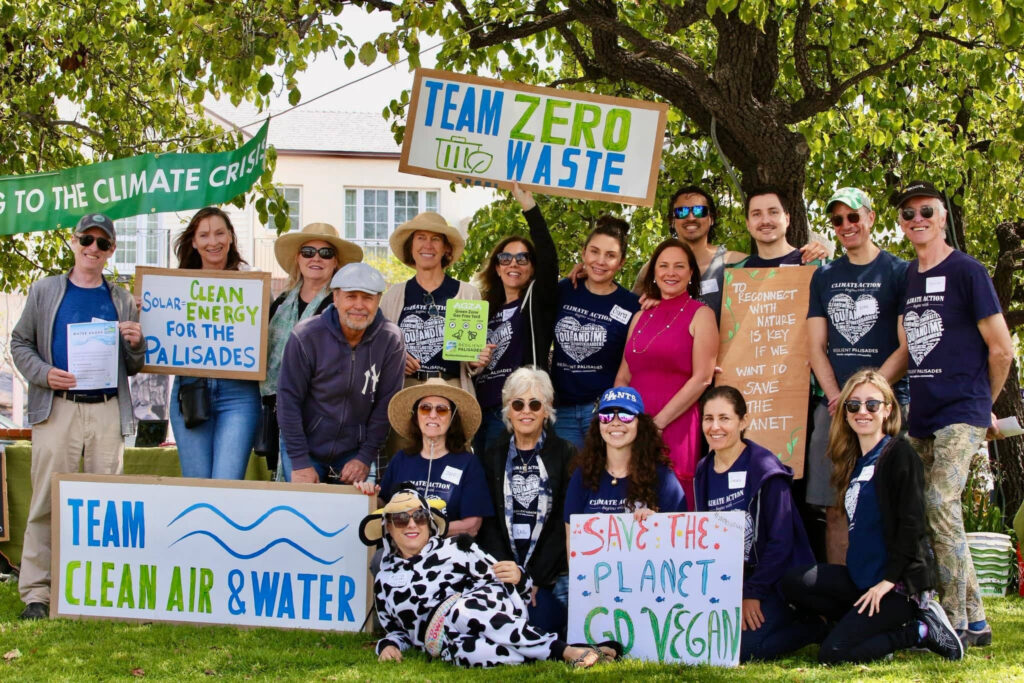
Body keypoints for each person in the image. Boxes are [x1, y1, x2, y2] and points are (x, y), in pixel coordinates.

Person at [894, 179, 1014, 646]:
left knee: (941, 503)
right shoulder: (909, 276)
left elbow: (1001, 350)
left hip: (963, 411)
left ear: (942, 217)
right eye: (908, 214)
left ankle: (958, 622)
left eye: (926, 211)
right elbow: (909, 348)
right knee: (927, 512)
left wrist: (983, 405)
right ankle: (978, 620)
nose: (917, 219)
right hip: (920, 415)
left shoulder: (969, 271)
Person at [12, 213, 144, 620]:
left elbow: (134, 365)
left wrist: (138, 344)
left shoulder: (122, 298)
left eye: (102, 243)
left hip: (106, 410)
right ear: (73, 242)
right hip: (58, 410)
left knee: (107, 509)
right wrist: (44, 374)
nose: (93, 248)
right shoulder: (45, 290)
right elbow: (20, 344)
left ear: (111, 251)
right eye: (87, 239)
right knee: (45, 503)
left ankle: (100, 592)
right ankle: (37, 593)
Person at [782, 370, 965, 663]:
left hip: (896, 588)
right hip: (861, 580)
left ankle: (918, 631)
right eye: (853, 405)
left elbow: (912, 524)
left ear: (888, 409)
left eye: (872, 404)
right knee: (794, 581)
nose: (862, 412)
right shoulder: (855, 460)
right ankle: (866, 629)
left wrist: (888, 582)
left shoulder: (898, 454)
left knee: (833, 653)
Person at [360, 486, 622, 668]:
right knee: (466, 654)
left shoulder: (455, 548)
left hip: (489, 606)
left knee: (462, 610)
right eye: (401, 519)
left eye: (418, 515)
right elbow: (396, 631)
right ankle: (572, 650)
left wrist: (519, 576)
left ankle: (565, 651)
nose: (411, 524)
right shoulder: (384, 580)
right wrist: (386, 646)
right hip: (445, 641)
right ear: (388, 529)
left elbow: (513, 582)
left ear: (429, 522)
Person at [806, 187, 909, 562]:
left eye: (853, 216)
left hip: (886, 408)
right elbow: (815, 346)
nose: (846, 226)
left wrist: (869, 398)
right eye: (838, 220)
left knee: (890, 508)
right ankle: (841, 605)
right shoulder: (825, 276)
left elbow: (907, 346)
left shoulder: (899, 271)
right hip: (833, 409)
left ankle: (893, 599)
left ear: (870, 217)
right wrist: (839, 398)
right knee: (835, 509)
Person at [694, 386, 821, 661]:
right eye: (708, 418)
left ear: (743, 421)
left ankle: (813, 626)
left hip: (774, 582)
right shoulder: (703, 470)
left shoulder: (765, 469)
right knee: (709, 641)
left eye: (724, 418)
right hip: (730, 582)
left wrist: (753, 593)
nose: (715, 427)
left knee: (742, 649)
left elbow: (781, 542)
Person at [276, 262, 405, 484]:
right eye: (351, 296)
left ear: (378, 301)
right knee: (302, 513)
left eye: (367, 297)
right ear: (335, 298)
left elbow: (386, 403)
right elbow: (288, 399)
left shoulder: (390, 339)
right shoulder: (306, 335)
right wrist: (300, 461)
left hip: (355, 450)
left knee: (355, 516)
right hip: (304, 444)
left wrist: (365, 457)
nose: (359, 305)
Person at [615, 238, 716, 505]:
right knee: (629, 498)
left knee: (673, 503)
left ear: (691, 272)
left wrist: (657, 424)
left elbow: (703, 377)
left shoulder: (701, 315)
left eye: (679, 266)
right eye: (663, 265)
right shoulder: (639, 316)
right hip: (632, 424)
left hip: (675, 423)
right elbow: (624, 376)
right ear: (654, 271)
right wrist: (619, 419)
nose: (670, 273)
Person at [478, 368, 575, 634]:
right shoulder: (492, 455)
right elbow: (488, 522)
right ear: (508, 410)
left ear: (546, 410)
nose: (526, 411)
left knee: (540, 622)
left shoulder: (566, 454)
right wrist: (511, 573)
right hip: (504, 571)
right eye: (518, 404)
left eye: (535, 404)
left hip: (548, 576)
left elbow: (560, 524)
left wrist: (533, 578)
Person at [263, 222, 362, 479]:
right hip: (285, 413)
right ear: (298, 258)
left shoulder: (345, 305)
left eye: (325, 253)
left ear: (336, 262)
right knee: (294, 495)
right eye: (308, 251)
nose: (316, 258)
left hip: (330, 417)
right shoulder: (281, 304)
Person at [168, 207, 261, 479]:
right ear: (194, 242)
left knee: (227, 484)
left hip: (239, 393)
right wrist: (148, 311)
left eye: (220, 233)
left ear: (231, 237)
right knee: (196, 484)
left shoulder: (252, 281)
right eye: (204, 235)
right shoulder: (173, 286)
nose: (213, 241)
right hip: (190, 389)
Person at [473, 183, 558, 454]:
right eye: (505, 258)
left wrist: (530, 208)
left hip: (517, 410)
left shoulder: (536, 300)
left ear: (532, 267)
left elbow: (549, 258)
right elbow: (466, 360)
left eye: (523, 258)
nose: (513, 264)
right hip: (480, 408)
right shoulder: (483, 307)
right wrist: (472, 362)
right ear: (496, 267)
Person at [356, 378, 492, 535]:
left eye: (441, 409)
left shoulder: (468, 463)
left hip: (447, 553)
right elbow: (384, 504)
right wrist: (369, 497)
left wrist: (428, 530)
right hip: (402, 552)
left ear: (452, 417)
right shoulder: (401, 459)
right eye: (425, 409)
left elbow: (472, 526)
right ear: (416, 416)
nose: (432, 415)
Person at [551, 216, 640, 449]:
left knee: (600, 479)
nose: (600, 261)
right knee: (567, 481)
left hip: (604, 412)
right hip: (561, 411)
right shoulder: (564, 290)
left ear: (621, 262)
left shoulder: (632, 305)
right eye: (594, 252)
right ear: (583, 254)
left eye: (610, 255)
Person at [379, 211, 489, 393]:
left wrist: (475, 360)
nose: (427, 245)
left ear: (446, 248)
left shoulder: (467, 293)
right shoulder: (393, 295)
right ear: (411, 245)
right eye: (421, 238)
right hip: (405, 389)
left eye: (435, 239)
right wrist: (396, 358)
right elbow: (378, 347)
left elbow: (474, 358)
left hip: (452, 389)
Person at [564, 387, 687, 531]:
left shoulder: (662, 476)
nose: (615, 422)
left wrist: (657, 524)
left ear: (639, 424)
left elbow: (680, 536)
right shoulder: (583, 475)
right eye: (606, 416)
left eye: (625, 415)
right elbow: (572, 542)